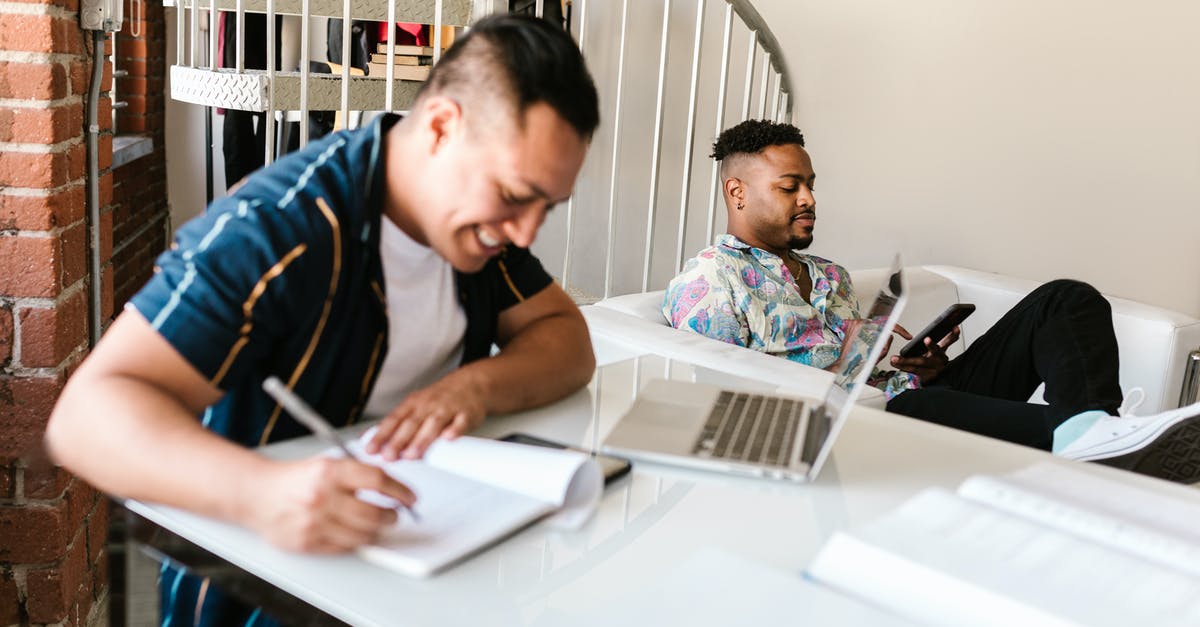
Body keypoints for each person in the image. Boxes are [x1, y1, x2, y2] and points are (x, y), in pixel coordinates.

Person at [46, 14, 599, 626]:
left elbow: (566, 339)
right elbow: (83, 419)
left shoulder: (477, 232)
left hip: (422, 584)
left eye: (547, 206)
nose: (527, 231)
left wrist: (475, 385)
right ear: (442, 127)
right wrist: (260, 493)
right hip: (264, 595)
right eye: (518, 195)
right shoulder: (276, 228)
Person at [663, 119, 1200, 482]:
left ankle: (1095, 435)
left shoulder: (830, 275)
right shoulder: (711, 282)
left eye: (811, 184)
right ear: (738, 192)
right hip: (866, 426)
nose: (810, 198)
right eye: (790, 186)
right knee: (916, 404)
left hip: (919, 394)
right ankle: (1106, 448)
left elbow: (879, 369)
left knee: (1066, 299)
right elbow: (721, 398)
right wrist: (859, 376)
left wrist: (922, 365)